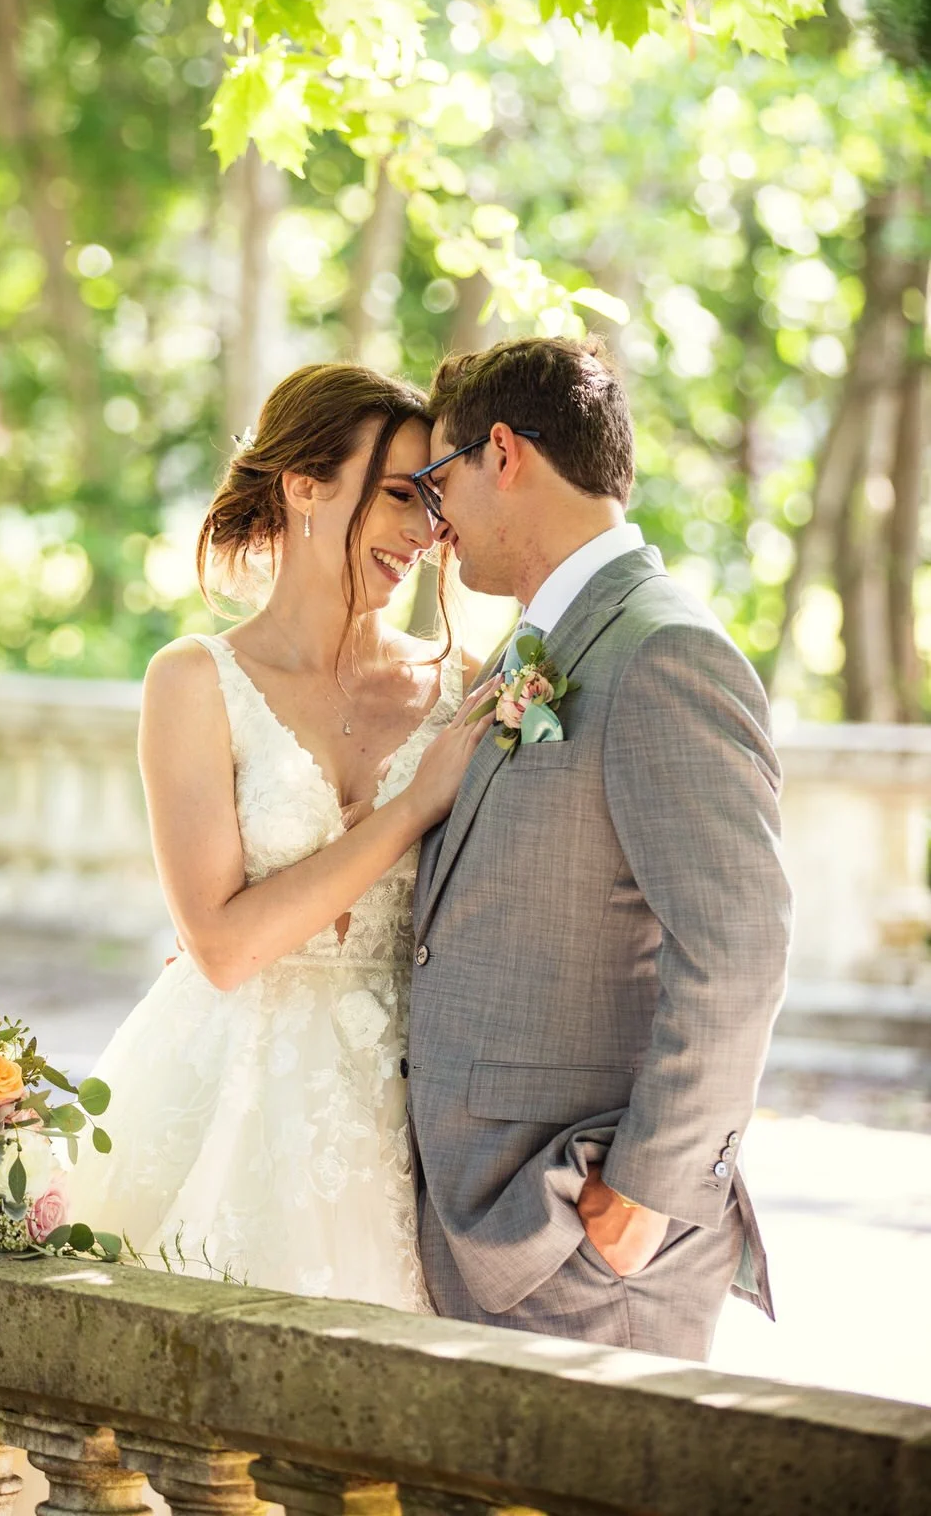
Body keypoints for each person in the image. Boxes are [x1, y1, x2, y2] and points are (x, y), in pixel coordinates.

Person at [67, 363, 490, 1304]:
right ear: (303, 484)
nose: (423, 532)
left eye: (433, 501)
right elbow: (219, 946)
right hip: (224, 1093)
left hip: (410, 1105)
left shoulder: (466, 688)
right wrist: (411, 806)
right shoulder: (193, 681)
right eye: (395, 497)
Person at [406, 335, 793, 1359]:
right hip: (491, 1236)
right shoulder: (536, 644)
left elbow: (741, 943)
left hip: (588, 1253)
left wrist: (645, 1192)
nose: (432, 519)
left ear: (503, 453)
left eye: (437, 480)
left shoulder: (662, 650)